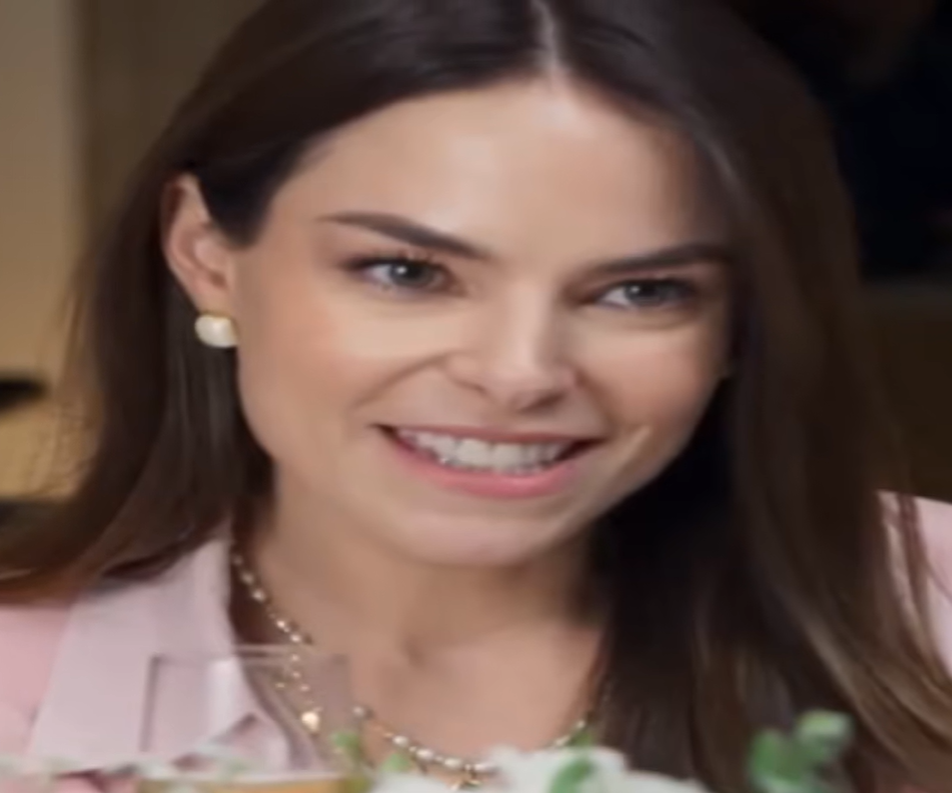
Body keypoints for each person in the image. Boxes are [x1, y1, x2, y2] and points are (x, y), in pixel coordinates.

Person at [0, 0, 950, 790]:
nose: (520, 373)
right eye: (408, 272)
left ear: (738, 323)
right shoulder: (21, 700)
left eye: (641, 291)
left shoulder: (930, 613)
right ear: (207, 256)